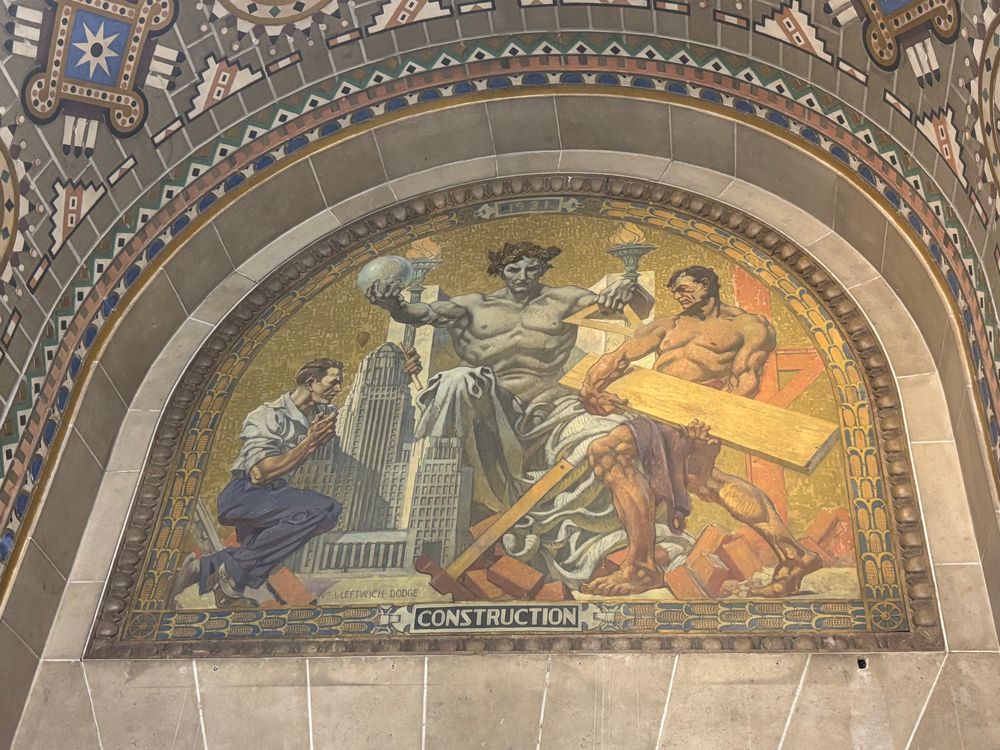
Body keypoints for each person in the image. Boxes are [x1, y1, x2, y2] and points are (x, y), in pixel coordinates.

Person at [579, 266, 822, 597]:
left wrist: (714, 417)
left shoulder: (749, 326)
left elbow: (746, 378)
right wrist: (591, 386)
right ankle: (795, 556)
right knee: (621, 456)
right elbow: (621, 355)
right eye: (675, 292)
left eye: (684, 288)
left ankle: (640, 568)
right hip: (657, 410)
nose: (678, 296)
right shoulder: (669, 325)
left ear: (706, 285)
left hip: (704, 413)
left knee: (700, 481)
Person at [168, 358, 350, 608]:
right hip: (245, 494)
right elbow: (259, 474)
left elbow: (356, 407)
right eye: (333, 382)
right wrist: (309, 443)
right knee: (323, 509)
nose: (339, 389)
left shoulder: (322, 412)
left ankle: (205, 568)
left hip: (276, 497)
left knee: (301, 530)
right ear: (311, 382)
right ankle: (229, 580)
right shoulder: (267, 415)